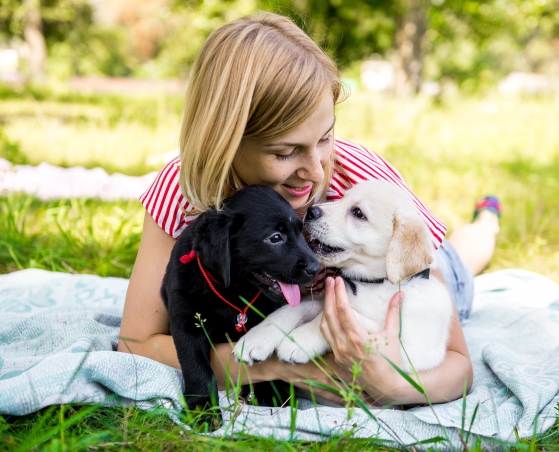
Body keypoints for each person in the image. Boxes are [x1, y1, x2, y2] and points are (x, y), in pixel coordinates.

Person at [117, 12, 501, 406]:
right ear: (225, 141)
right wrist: (277, 366)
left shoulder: (358, 181)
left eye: (326, 137)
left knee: (461, 260)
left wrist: (393, 387)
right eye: (285, 152)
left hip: (404, 280)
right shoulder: (182, 193)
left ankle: (487, 218)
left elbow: (458, 366)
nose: (316, 171)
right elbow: (136, 344)